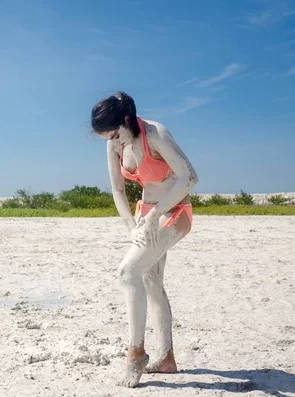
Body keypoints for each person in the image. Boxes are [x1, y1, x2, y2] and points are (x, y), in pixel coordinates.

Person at [91, 92, 199, 388]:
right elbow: (117, 191)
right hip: (145, 215)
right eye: (106, 138)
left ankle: (136, 354)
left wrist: (156, 214)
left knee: (127, 272)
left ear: (127, 120)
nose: (113, 141)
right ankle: (166, 358)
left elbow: (189, 177)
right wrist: (131, 227)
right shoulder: (113, 144)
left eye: (114, 133)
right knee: (151, 281)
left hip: (173, 211)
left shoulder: (155, 133)